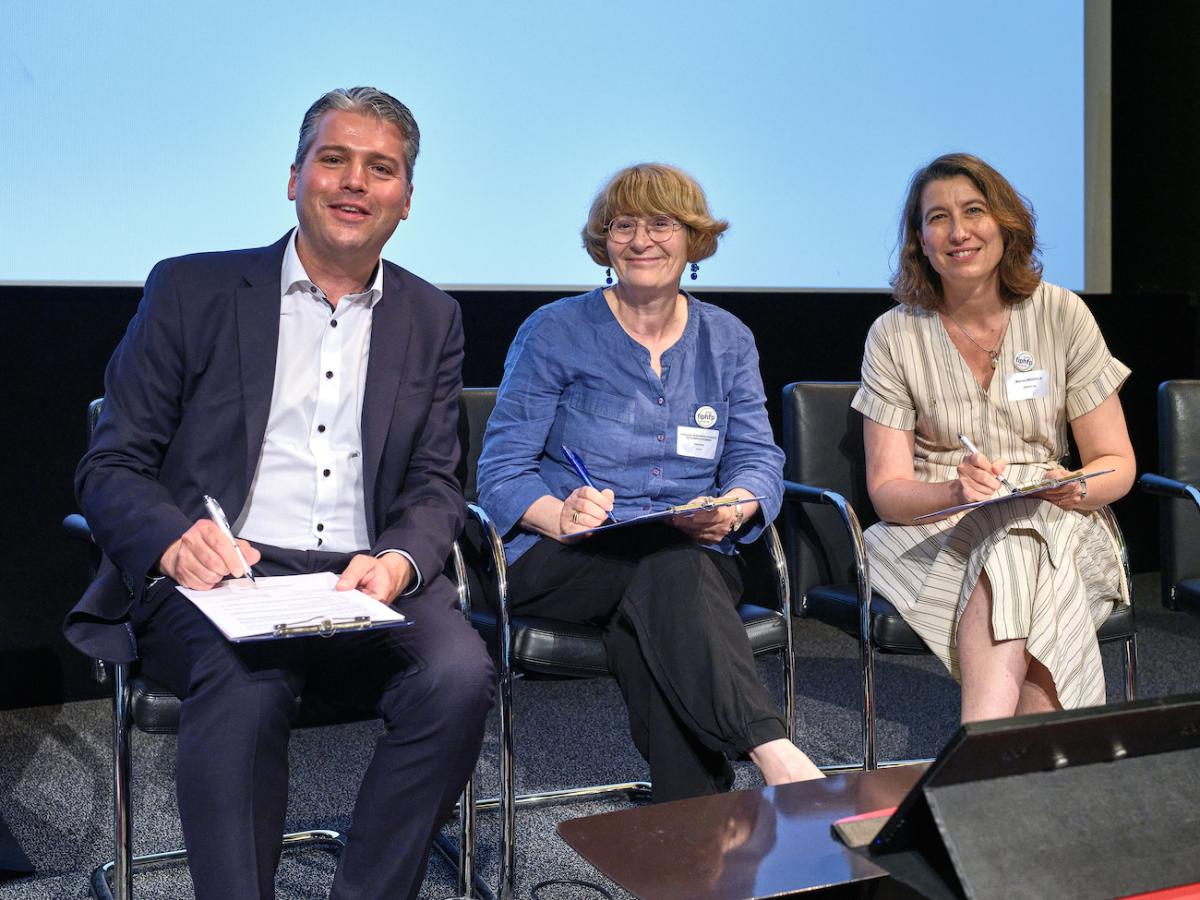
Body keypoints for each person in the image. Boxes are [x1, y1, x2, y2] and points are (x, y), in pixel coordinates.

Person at [65, 87, 494, 900]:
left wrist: (401, 560)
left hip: (359, 578)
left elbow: (438, 480)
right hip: (226, 573)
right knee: (248, 678)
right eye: (334, 159)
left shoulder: (432, 316)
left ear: (406, 200)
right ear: (295, 176)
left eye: (381, 168)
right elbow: (110, 463)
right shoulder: (193, 290)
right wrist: (171, 539)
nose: (354, 183)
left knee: (458, 673)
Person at [476, 163, 823, 803]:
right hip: (569, 559)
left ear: (693, 238)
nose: (642, 240)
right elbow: (500, 472)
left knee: (659, 600)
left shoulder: (728, 339)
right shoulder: (555, 331)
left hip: (689, 559)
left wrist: (735, 505)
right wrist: (558, 514)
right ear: (603, 242)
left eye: (661, 223)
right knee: (670, 571)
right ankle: (773, 751)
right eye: (623, 225)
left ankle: (690, 825)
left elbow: (757, 457)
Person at [854, 152, 1135, 722]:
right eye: (937, 218)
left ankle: (980, 747)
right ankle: (1026, 769)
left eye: (973, 211)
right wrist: (956, 495)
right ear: (920, 241)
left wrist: (1075, 487)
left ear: (1005, 224)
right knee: (1015, 551)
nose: (958, 232)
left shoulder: (1062, 313)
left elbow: (1116, 462)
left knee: (1019, 541)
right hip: (933, 529)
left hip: (1061, 519)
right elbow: (888, 490)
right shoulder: (893, 334)